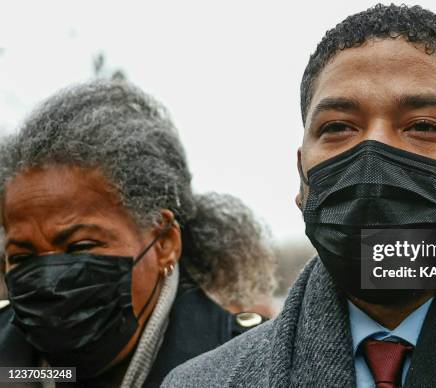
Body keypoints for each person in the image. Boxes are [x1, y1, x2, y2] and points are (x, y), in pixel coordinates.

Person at [163, 4, 436, 388]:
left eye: (422, 126)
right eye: (338, 127)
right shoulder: (201, 381)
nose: (373, 159)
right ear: (301, 177)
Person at [0, 81, 275, 387]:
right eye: (22, 256)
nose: (49, 282)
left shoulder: (258, 369)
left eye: (81, 245)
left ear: (165, 244)